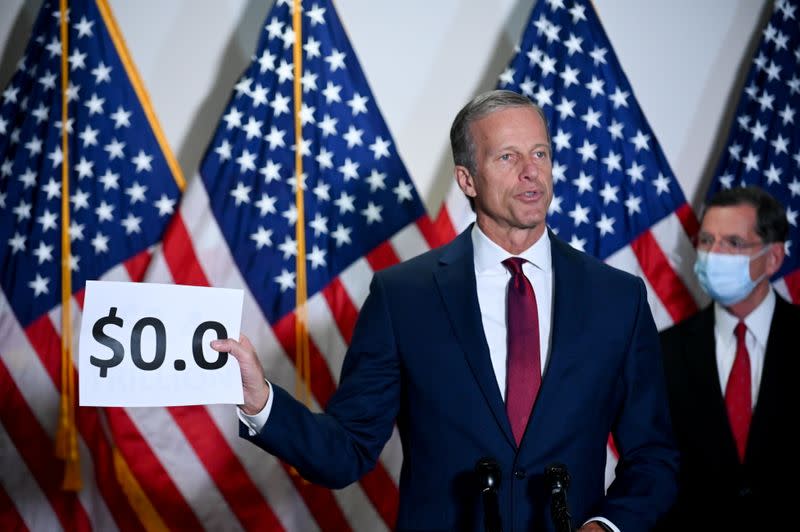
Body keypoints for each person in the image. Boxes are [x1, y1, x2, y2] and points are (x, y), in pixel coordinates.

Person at [212, 90, 678, 531]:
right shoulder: (403, 296)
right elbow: (345, 450)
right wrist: (260, 402)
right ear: (467, 179)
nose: (531, 172)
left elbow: (653, 458)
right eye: (508, 157)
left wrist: (606, 526)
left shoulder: (618, 298)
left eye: (540, 153)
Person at [657, 186, 798, 531]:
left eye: (733, 243)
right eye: (707, 241)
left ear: (773, 257)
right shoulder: (665, 350)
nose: (713, 254)